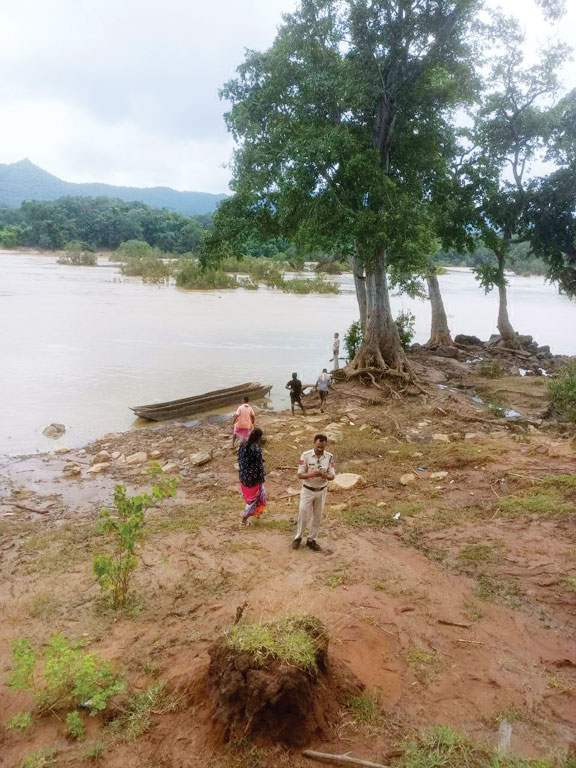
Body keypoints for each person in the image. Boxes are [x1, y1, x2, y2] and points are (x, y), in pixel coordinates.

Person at [292, 434, 335, 552]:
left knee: (317, 516)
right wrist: (311, 474)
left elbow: (332, 476)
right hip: (308, 490)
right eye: (318, 447)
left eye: (322, 447)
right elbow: (299, 474)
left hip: (321, 490)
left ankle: (312, 539)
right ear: (314, 443)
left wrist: (324, 475)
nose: (320, 449)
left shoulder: (329, 457)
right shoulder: (306, 456)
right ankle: (298, 537)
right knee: (303, 513)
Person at [237, 428, 266, 526]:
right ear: (259, 438)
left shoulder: (242, 445)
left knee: (250, 498)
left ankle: (257, 514)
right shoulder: (256, 449)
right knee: (254, 500)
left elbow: (240, 459)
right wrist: (262, 478)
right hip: (254, 480)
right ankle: (244, 520)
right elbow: (259, 465)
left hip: (243, 478)